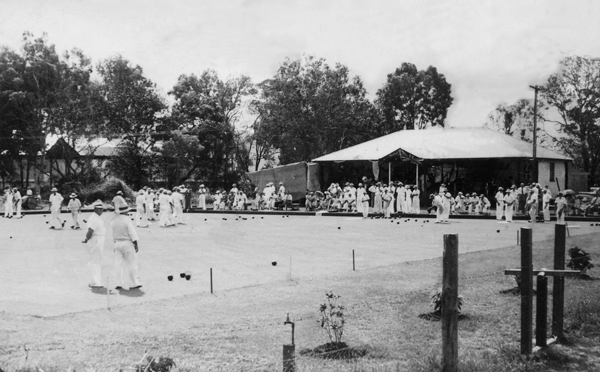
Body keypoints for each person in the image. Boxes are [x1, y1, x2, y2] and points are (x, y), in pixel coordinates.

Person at [111, 204, 142, 291]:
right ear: (125, 212)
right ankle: (134, 283)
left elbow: (113, 233)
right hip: (127, 243)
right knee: (131, 263)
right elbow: (132, 232)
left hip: (117, 243)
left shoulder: (113, 220)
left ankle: (118, 283)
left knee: (118, 264)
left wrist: (115, 244)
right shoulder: (127, 220)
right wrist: (135, 243)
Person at [82, 200, 106, 288]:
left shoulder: (97, 217)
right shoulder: (95, 218)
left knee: (97, 260)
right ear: (95, 209)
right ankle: (95, 282)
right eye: (99, 209)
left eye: (102, 209)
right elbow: (90, 231)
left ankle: (95, 280)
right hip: (95, 240)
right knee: (95, 261)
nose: (101, 211)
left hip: (98, 239)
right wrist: (87, 239)